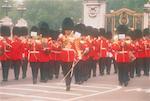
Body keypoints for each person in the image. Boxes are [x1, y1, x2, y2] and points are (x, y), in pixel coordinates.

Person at [59, 17, 75, 91]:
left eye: (69, 30)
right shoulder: (61, 37)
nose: (67, 31)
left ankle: (68, 84)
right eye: (66, 30)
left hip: (71, 56)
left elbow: (77, 47)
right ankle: (67, 83)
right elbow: (59, 46)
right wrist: (65, 40)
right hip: (63, 56)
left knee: (70, 71)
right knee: (65, 70)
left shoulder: (75, 37)